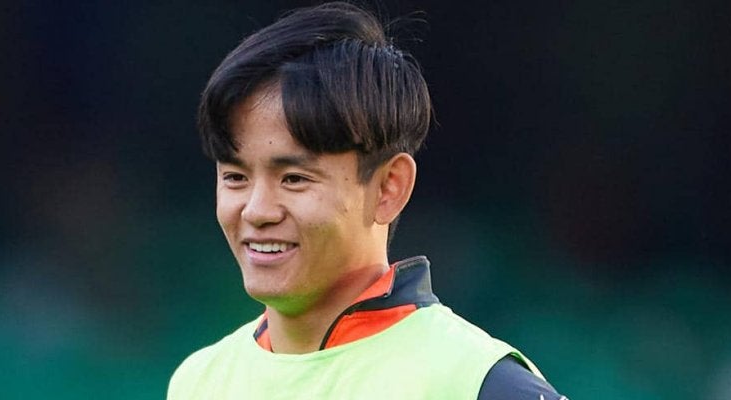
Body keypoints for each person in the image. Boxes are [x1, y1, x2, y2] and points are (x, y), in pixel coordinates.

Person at [168, 2, 566, 399]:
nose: (257, 211)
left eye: (294, 179)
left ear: (388, 188)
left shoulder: (477, 382)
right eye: (235, 178)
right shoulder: (198, 382)